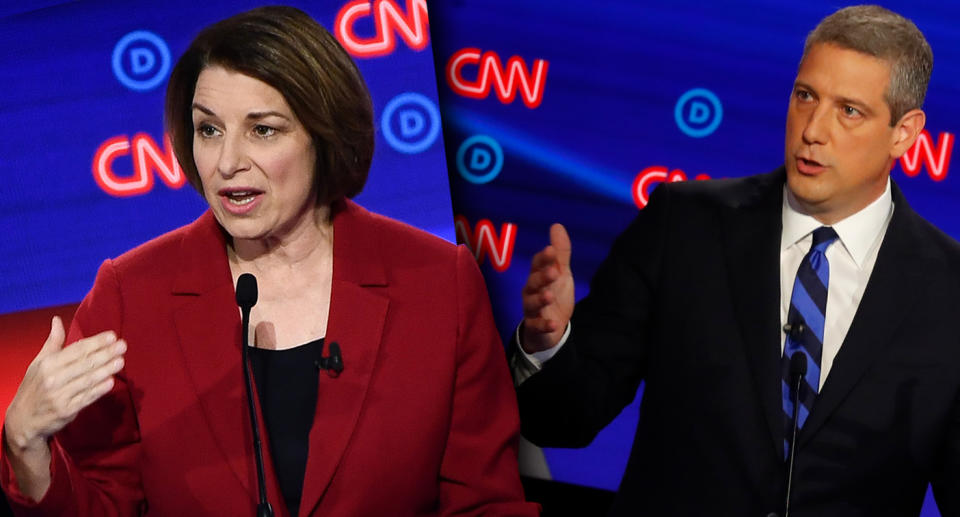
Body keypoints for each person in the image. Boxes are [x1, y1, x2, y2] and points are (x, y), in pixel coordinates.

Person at [1, 6, 537, 516]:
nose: (228, 162)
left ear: (323, 135)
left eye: (263, 129)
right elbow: (104, 503)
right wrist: (27, 449)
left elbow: (485, 503)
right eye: (209, 130)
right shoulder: (130, 295)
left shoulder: (440, 283)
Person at [515, 5, 960, 516]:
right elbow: (562, 421)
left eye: (849, 111)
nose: (813, 130)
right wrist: (546, 345)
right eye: (805, 96)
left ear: (904, 132)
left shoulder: (948, 292)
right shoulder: (682, 226)